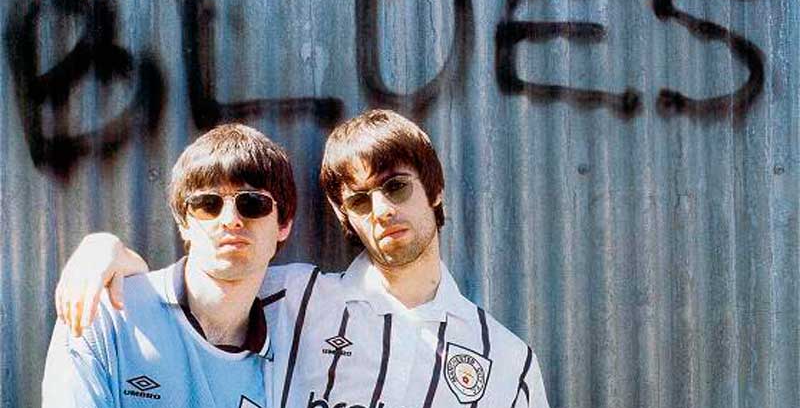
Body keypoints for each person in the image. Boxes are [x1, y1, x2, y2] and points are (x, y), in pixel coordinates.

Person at [55, 109, 550, 408]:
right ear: (343, 215)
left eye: (397, 187)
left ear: (435, 189)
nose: (382, 211)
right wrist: (105, 251)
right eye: (359, 200)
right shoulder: (295, 298)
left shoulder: (508, 363)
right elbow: (201, 285)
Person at [42, 124, 296, 408]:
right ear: (184, 224)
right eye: (207, 204)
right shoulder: (104, 312)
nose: (230, 219)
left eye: (252, 203)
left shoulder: (294, 354)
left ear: (283, 224)